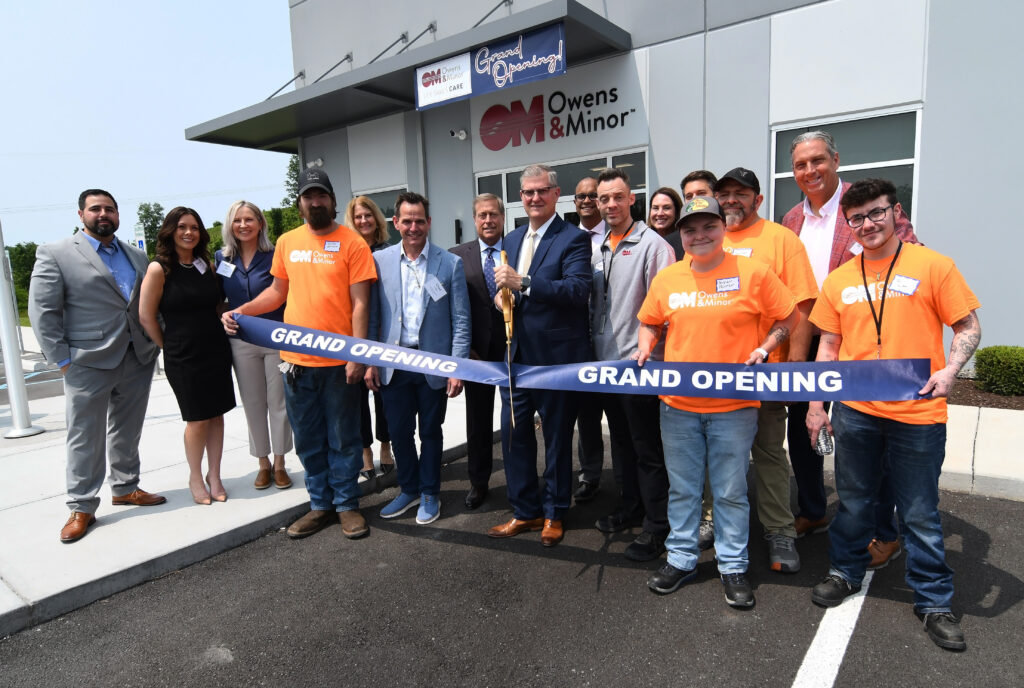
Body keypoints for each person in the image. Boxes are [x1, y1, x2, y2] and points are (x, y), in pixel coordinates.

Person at [805, 178, 980, 651]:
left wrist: (950, 371)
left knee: (919, 511)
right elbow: (829, 344)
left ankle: (934, 601)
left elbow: (967, 326)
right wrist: (817, 405)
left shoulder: (933, 265)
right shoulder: (840, 278)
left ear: (895, 212)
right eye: (856, 218)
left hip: (918, 409)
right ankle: (845, 572)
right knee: (856, 500)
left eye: (876, 213)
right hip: (857, 411)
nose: (867, 224)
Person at [636, 196, 798, 608]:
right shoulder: (668, 278)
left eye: (708, 226)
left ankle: (733, 566)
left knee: (729, 492)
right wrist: (644, 348)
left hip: (734, 409)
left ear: (723, 228)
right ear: (682, 235)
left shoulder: (753, 273)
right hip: (678, 407)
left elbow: (789, 316)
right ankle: (682, 558)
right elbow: (649, 322)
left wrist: (765, 347)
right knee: (685, 489)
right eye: (690, 229)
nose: (699, 235)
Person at [782, 131, 919, 569]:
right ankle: (813, 508)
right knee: (803, 431)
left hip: (862, 344)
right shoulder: (790, 220)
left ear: (836, 160)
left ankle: (883, 531)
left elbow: (908, 252)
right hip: (809, 341)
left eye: (818, 161)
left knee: (869, 440)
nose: (809, 171)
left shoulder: (866, 209)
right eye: (801, 164)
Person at [222, 167, 377, 540]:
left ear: (332, 200)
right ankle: (320, 505)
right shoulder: (288, 243)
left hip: (340, 361)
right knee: (308, 439)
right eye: (309, 196)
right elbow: (277, 293)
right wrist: (242, 311)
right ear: (300, 204)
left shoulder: (353, 243)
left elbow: (360, 305)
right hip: (294, 363)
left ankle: (347, 505)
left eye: (321, 195)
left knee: (344, 438)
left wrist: (358, 355)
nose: (316, 201)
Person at [698, 167, 818, 574]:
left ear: (758, 199)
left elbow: (801, 306)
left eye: (740, 193)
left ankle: (779, 529)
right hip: (715, 376)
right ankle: (713, 518)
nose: (731, 200)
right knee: (719, 454)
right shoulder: (705, 238)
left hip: (767, 372)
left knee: (768, 453)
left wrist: (796, 368)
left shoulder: (781, 240)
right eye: (724, 193)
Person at [29, 189, 166, 543]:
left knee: (127, 428)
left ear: (118, 215)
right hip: (87, 361)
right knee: (84, 435)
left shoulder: (136, 254)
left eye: (109, 208)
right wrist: (61, 360)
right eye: (95, 209)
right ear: (81, 214)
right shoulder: (56, 253)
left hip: (136, 356)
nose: (103, 214)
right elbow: (43, 311)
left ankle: (125, 487)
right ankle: (82, 506)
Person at [488, 164, 592, 547]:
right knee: (514, 438)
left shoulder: (573, 239)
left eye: (541, 191)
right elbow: (501, 288)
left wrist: (525, 283)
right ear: (521, 196)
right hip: (515, 358)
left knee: (557, 439)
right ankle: (525, 511)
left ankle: (554, 513)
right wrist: (502, 298)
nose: (534, 198)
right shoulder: (511, 239)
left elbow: (578, 291)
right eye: (528, 192)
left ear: (555, 193)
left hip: (556, 359)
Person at [365, 192, 470, 524]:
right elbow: (373, 318)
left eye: (419, 220)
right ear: (396, 223)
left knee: (430, 431)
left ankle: (429, 493)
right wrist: (370, 360)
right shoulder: (379, 261)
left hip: (432, 365)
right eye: (406, 221)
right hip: (393, 363)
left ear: (428, 222)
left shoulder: (449, 263)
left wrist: (456, 367)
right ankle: (408, 489)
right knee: (398, 432)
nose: (413, 227)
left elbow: (461, 320)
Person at [590, 168, 675, 561]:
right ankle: (630, 506)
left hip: (640, 367)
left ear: (631, 199)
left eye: (617, 197)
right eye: (603, 198)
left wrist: (652, 356)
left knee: (647, 449)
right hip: (604, 365)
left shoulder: (654, 246)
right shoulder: (593, 243)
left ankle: (657, 527)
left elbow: (664, 313)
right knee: (620, 444)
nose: (609, 204)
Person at [140, 207, 236, 505]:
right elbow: (146, 316)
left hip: (215, 349)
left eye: (194, 227)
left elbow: (217, 304)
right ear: (170, 231)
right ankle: (196, 476)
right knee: (197, 419)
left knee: (217, 414)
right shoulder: (159, 269)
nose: (188, 232)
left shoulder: (206, 264)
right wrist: (167, 346)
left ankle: (215, 475)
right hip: (183, 354)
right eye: (182, 227)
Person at [215, 201, 293, 491]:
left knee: (279, 403)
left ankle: (281, 462)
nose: (243, 225)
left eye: (249, 219)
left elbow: (283, 294)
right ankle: (263, 463)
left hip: (275, 339)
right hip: (241, 341)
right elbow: (218, 300)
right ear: (230, 225)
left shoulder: (275, 255)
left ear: (260, 223)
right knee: (253, 404)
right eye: (238, 220)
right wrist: (222, 317)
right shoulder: (221, 259)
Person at [450, 193, 507, 509]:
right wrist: (463, 350)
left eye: (493, 214)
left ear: (501, 216)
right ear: (475, 219)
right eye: (482, 215)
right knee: (478, 421)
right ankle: (479, 482)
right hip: (476, 355)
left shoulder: (519, 251)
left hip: (514, 353)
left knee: (515, 421)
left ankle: (520, 479)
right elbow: (450, 309)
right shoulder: (457, 256)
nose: (488, 220)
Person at [345, 196, 395, 482]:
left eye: (368, 215)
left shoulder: (388, 252)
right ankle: (366, 454)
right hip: (352, 334)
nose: (363, 221)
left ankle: (386, 448)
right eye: (358, 217)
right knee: (357, 400)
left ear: (377, 219)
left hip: (382, 334)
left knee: (383, 396)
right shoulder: (346, 252)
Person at [571, 176, 606, 504]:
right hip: (580, 343)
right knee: (587, 417)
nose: (586, 201)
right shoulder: (567, 239)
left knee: (623, 421)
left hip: (614, 342)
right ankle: (590, 475)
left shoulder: (615, 236)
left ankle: (628, 479)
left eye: (592, 195)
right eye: (580, 196)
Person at [647, 186, 684, 260]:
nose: (660, 213)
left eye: (666, 208)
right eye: (655, 208)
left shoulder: (685, 242)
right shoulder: (644, 242)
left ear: (677, 212)